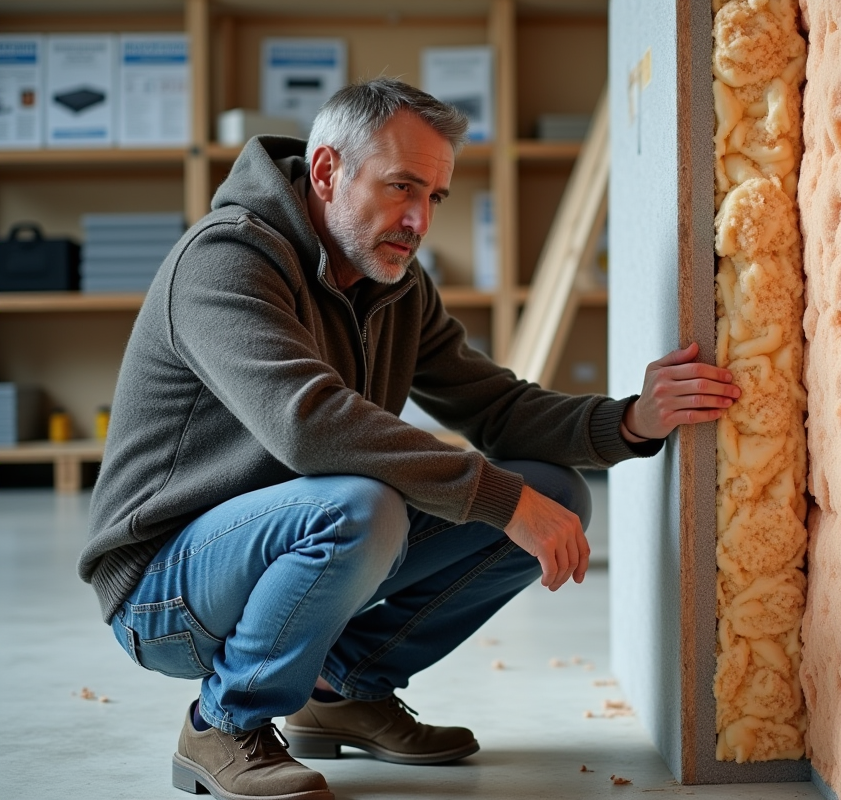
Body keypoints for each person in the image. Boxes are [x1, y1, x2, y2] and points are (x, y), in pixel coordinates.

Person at [78, 78, 740, 800]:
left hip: (291, 541)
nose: (419, 220)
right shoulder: (225, 261)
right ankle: (223, 722)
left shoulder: (392, 280)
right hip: (164, 590)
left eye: (435, 197)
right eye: (401, 187)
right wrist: (496, 498)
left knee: (554, 491)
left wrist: (633, 419)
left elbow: (496, 406)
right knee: (366, 506)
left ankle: (341, 689)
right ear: (327, 171)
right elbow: (310, 424)